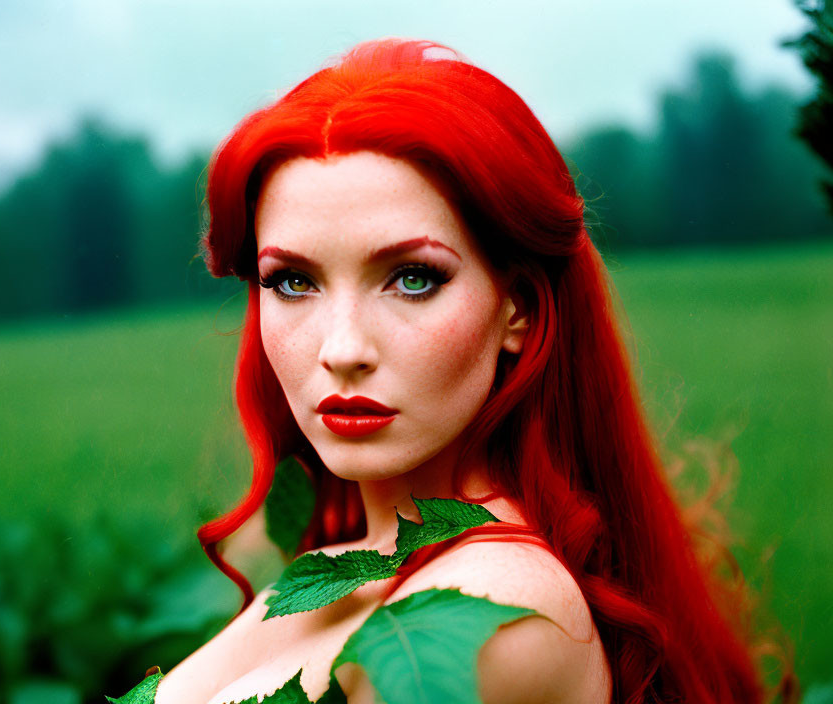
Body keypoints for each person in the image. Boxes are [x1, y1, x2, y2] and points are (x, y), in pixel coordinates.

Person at [146, 38, 775, 703]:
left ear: (519, 311)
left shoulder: (497, 609)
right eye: (294, 281)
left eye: (413, 279)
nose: (343, 348)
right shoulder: (330, 576)